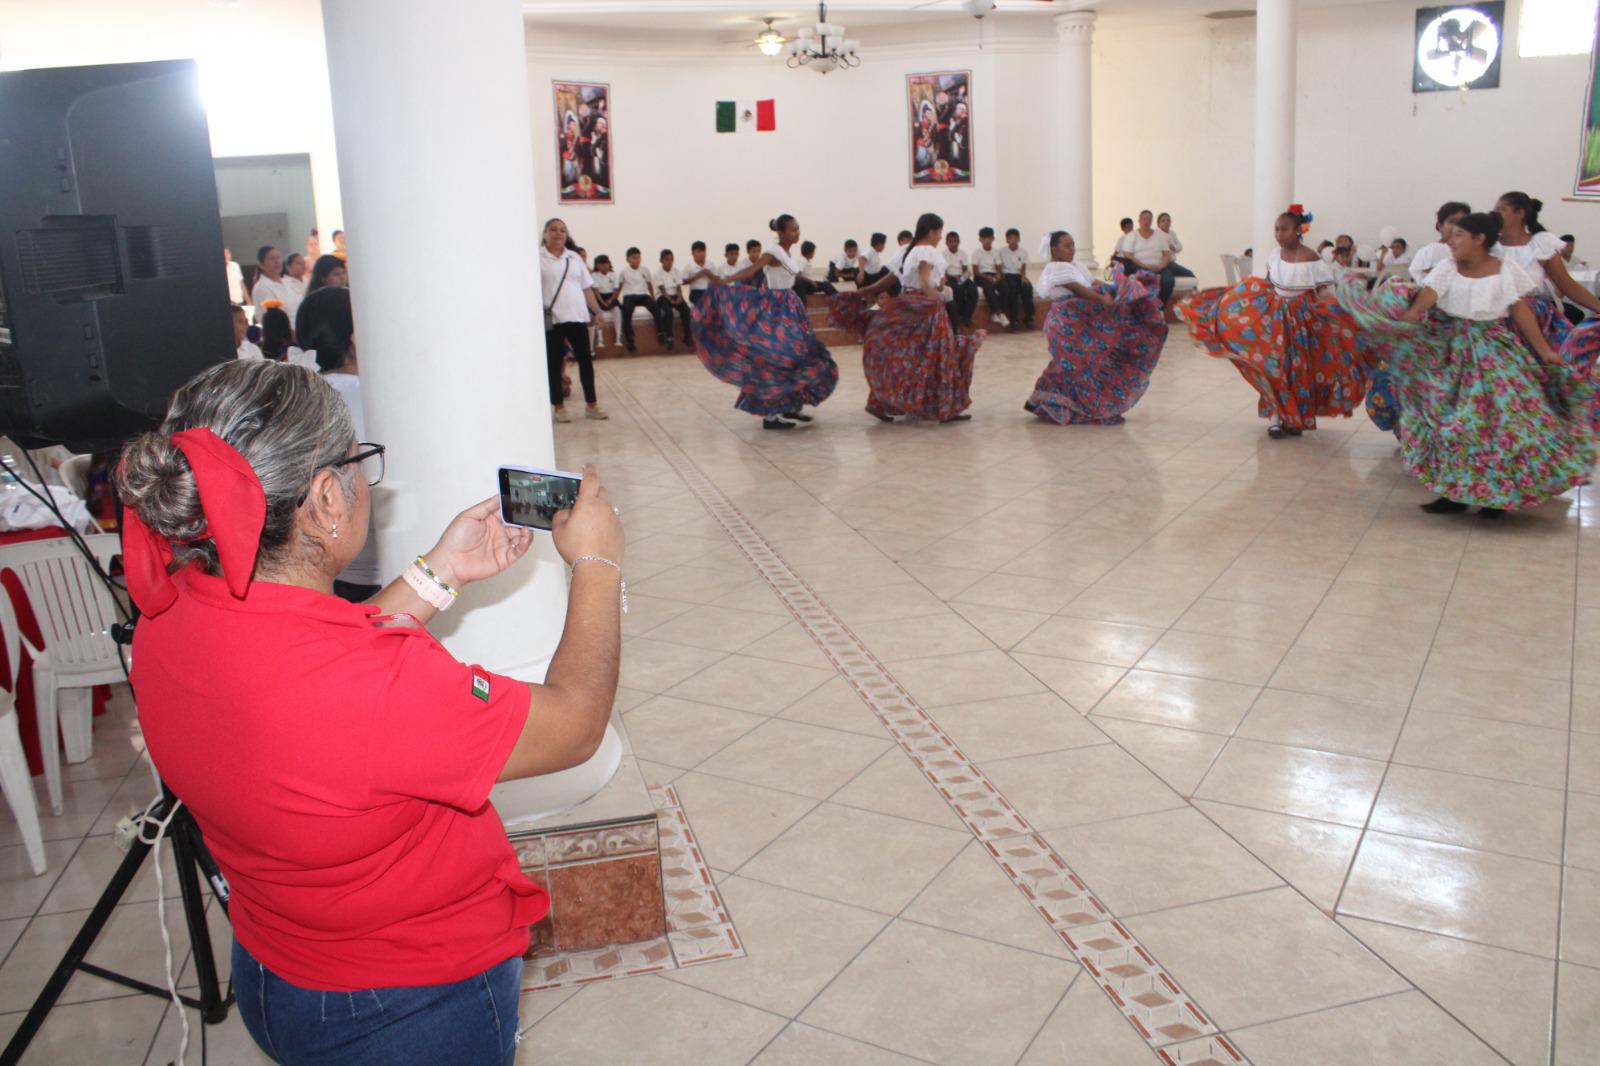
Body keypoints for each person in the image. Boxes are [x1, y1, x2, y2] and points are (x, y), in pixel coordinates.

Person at [117, 357, 625, 1066]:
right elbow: (575, 726)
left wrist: (439, 573)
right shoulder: (378, 686)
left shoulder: (169, 613)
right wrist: (597, 566)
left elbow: (314, 667)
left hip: (277, 970)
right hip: (407, 1008)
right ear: (326, 497)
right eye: (358, 462)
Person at [1335, 211, 1594, 517]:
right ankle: (1454, 493)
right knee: (1449, 423)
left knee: (1502, 423)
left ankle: (1494, 496)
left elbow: (1520, 312)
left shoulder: (1505, 269)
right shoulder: (1446, 268)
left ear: (1479, 239)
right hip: (1450, 351)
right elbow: (1423, 303)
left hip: (1494, 351)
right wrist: (1393, 323)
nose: (1451, 241)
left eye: (1458, 236)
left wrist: (1544, 350)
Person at [1178, 204, 1368, 438]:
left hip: (1302, 321)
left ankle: (1294, 418)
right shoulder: (1274, 255)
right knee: (1273, 367)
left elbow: (1323, 291)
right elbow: (1270, 282)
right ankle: (1276, 419)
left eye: (1285, 229)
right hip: (1276, 318)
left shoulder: (1312, 258)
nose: (1279, 234)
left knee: (1296, 370)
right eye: (1276, 229)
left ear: (1299, 230)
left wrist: (1341, 308)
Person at [692, 213, 839, 430]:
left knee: (795, 356)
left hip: (791, 306)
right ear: (781, 233)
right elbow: (751, 270)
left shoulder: (789, 254)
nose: (797, 233)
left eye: (798, 229)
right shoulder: (773, 252)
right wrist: (726, 280)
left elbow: (792, 276)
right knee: (775, 358)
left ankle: (790, 404)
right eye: (793, 229)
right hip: (776, 308)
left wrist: (813, 283)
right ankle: (770, 416)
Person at [294, 286, 384, 599]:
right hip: (383, 569)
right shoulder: (379, 403)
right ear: (356, 339)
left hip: (313, 572)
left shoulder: (296, 401)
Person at [851, 212, 985, 423]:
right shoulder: (927, 251)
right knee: (939, 355)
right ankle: (943, 407)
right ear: (932, 231)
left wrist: (869, 288)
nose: (940, 237)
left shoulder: (907, 250)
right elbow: (924, 280)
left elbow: (891, 278)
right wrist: (939, 300)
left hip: (907, 306)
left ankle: (882, 402)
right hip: (926, 308)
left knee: (905, 356)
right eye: (940, 232)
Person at [1026, 231, 1168, 425]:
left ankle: (1079, 406)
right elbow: (1078, 288)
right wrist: (1102, 298)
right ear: (1054, 249)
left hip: (1082, 324)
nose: (1072, 249)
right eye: (1067, 246)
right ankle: (1053, 402)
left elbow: (1093, 282)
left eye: (1073, 244)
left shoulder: (1076, 266)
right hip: (1066, 324)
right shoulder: (1055, 268)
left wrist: (1118, 289)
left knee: (1089, 363)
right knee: (1072, 365)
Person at [1494, 191, 1600, 345]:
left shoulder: (1541, 245)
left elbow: (1567, 285)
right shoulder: (1488, 245)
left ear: (1520, 213)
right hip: (1497, 318)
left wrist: (1597, 306)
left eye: (1501, 210)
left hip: (1536, 320)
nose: (1495, 214)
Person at [540, 219, 607, 422]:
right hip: (554, 320)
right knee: (553, 363)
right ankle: (559, 408)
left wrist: (597, 311)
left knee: (586, 361)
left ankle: (592, 404)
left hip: (578, 317)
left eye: (562, 230)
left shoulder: (574, 257)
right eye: (553, 230)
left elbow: (586, 288)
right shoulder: (537, 258)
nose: (558, 234)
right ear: (545, 234)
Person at [1116, 210, 1178, 305]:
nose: (1146, 221)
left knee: (1168, 280)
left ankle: (1160, 305)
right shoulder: (1132, 236)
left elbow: (1166, 254)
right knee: (1142, 282)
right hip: (1139, 266)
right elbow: (1127, 254)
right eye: (1144, 219)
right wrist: (1144, 265)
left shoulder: (1160, 235)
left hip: (1158, 266)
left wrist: (1161, 266)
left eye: (1149, 219)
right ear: (1139, 221)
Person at [1409, 202, 1471, 284]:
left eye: (1463, 222)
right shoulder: (1428, 252)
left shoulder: (1473, 251)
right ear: (1440, 226)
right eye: (1452, 221)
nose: (1458, 226)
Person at [615, 247, 657, 354]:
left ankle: (661, 333)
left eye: (638, 257)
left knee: (655, 308)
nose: (637, 260)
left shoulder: (645, 270)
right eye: (634, 258)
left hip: (643, 295)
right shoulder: (624, 272)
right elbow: (619, 287)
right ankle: (630, 342)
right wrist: (614, 299)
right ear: (628, 259)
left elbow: (649, 284)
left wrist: (653, 297)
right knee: (627, 312)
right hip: (629, 295)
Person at [653, 249, 692, 351]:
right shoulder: (658, 274)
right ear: (661, 261)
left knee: (686, 310)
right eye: (666, 260)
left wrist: (679, 297)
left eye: (671, 260)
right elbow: (662, 290)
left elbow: (679, 287)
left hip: (675, 295)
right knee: (668, 312)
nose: (669, 262)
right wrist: (671, 300)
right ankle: (669, 338)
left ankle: (687, 336)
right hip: (663, 297)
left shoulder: (676, 271)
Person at [971, 227, 1008, 327]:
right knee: (988, 287)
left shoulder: (996, 252)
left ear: (993, 238)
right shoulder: (976, 253)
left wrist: (997, 277)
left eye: (989, 238)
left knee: (1005, 286)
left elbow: (999, 269)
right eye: (984, 238)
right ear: (980, 240)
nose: (987, 240)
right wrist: (988, 278)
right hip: (981, 276)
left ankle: (998, 313)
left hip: (993, 274)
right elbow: (975, 272)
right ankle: (999, 313)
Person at [999, 227, 1034, 330]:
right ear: (1007, 240)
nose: (1013, 240)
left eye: (1015, 238)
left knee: (1027, 287)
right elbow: (999, 267)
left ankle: (1029, 317)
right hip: (1007, 275)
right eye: (1010, 238)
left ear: (1019, 239)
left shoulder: (1023, 252)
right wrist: (1002, 276)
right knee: (1012, 289)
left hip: (1018, 275)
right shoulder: (1001, 251)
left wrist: (1023, 277)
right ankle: (1014, 319)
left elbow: (1023, 268)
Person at [943, 231, 977, 331]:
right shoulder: (943, 254)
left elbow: (965, 269)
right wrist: (953, 278)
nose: (953, 243)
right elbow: (944, 272)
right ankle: (958, 318)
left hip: (961, 277)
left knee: (973, 290)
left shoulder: (963, 254)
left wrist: (963, 277)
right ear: (947, 243)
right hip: (949, 277)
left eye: (955, 241)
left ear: (959, 242)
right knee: (958, 291)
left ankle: (967, 317)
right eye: (951, 241)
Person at [249, 246, 291, 324]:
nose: (277, 261)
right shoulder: (261, 288)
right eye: (272, 259)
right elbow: (273, 318)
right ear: (261, 265)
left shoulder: (288, 282)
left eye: (278, 257)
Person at [590, 253, 619, 350]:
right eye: (601, 264)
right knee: (598, 313)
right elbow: (596, 291)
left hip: (611, 296)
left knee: (618, 311)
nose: (604, 266)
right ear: (597, 265)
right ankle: (600, 340)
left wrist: (610, 300)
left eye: (606, 263)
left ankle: (618, 337)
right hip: (599, 297)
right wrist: (602, 302)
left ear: (609, 264)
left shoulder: (613, 274)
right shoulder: (594, 275)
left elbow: (616, 290)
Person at [1157, 212, 1194, 280]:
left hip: (1172, 263)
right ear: (1158, 224)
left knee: (1190, 275)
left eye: (1168, 220)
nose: (1166, 222)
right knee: (1189, 274)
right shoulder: (1156, 235)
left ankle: (1195, 291)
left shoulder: (1172, 233)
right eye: (1163, 221)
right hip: (1164, 264)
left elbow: (1179, 246)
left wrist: (1174, 247)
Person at [685, 241, 717, 308]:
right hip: (696, 292)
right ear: (693, 253)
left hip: (710, 291)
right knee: (704, 303)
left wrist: (710, 275)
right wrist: (697, 275)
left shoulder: (710, 264)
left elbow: (718, 280)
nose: (702, 254)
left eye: (703, 251)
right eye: (699, 251)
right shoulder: (689, 266)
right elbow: (682, 281)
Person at [281, 252, 309, 324]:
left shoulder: (308, 281)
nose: (303, 265)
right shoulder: (283, 284)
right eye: (299, 263)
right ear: (288, 267)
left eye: (303, 263)